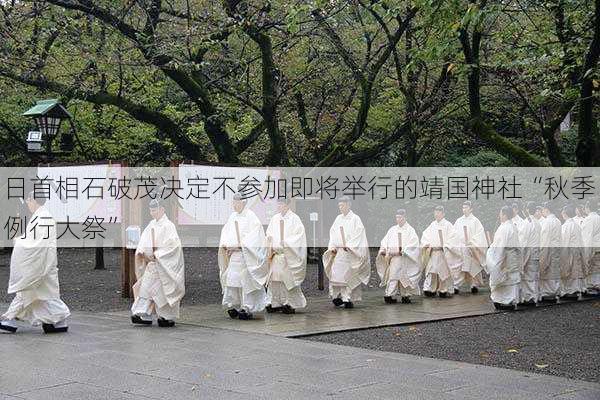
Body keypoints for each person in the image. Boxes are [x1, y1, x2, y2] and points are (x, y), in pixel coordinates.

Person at [0, 193, 70, 334]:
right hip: (41, 263)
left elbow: (37, 243)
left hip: (42, 264)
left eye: (29, 200)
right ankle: (58, 322)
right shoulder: (40, 216)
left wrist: (18, 241)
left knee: (30, 293)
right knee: (41, 295)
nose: (27, 203)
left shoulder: (44, 218)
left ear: (34, 201)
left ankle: (10, 320)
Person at [131, 199, 185, 327]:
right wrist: (141, 251)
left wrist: (158, 255)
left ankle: (165, 317)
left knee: (164, 291)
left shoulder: (168, 226)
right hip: (152, 264)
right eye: (151, 210)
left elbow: (174, 247)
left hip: (163, 265)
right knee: (146, 289)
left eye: (155, 210)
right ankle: (142, 313)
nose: (152, 212)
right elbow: (143, 241)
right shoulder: (151, 224)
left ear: (162, 209)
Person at [218, 193, 269, 320]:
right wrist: (225, 245)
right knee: (233, 280)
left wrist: (241, 245)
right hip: (233, 255)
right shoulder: (232, 216)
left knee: (245, 282)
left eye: (237, 203)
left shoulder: (251, 217)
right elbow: (226, 232)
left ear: (244, 203)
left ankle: (246, 307)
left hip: (246, 255)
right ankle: (235, 305)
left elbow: (256, 236)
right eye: (233, 202)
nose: (234, 205)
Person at [322, 196, 370, 309]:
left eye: (342, 205)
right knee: (336, 276)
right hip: (338, 253)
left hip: (349, 253)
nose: (341, 207)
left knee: (347, 276)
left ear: (348, 205)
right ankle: (336, 297)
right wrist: (332, 247)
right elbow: (332, 234)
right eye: (339, 205)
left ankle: (347, 298)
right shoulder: (338, 219)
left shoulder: (355, 219)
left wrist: (349, 245)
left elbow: (359, 235)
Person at [265, 198, 307, 314]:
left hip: (288, 256)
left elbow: (299, 236)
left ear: (287, 205)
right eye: (278, 204)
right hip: (276, 255)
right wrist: (269, 240)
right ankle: (275, 302)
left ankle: (289, 303)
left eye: (282, 204)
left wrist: (288, 242)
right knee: (274, 280)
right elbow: (269, 233)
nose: (279, 207)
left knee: (287, 281)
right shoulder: (274, 218)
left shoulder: (295, 219)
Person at [376, 209, 421, 304]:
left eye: (400, 217)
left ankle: (406, 295)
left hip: (404, 258)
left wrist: (404, 251)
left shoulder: (410, 230)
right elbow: (385, 241)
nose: (398, 219)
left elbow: (414, 243)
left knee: (405, 277)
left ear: (405, 217)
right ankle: (389, 295)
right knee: (393, 275)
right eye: (397, 217)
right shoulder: (392, 229)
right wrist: (383, 249)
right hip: (394, 258)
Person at [486, 206, 521, 310]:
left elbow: (499, 246)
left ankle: (502, 301)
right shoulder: (512, 226)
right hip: (512, 256)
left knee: (504, 279)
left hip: (504, 256)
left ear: (505, 215)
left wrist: (493, 256)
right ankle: (510, 301)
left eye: (501, 214)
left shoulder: (505, 228)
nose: (499, 216)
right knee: (510, 280)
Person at [421, 206, 461, 298]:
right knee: (432, 272)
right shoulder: (432, 225)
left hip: (443, 253)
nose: (437, 215)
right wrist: (427, 244)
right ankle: (431, 289)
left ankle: (444, 290)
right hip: (433, 252)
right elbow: (425, 235)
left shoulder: (448, 225)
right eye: (435, 213)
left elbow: (453, 237)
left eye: (439, 213)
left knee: (443, 272)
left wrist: (446, 245)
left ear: (443, 214)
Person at [452, 201, 487, 295]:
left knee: (473, 266)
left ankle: (474, 285)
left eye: (466, 207)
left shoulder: (475, 221)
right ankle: (456, 285)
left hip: (471, 248)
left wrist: (472, 242)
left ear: (471, 209)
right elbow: (454, 234)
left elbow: (480, 234)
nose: (464, 209)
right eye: (463, 207)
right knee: (460, 267)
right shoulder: (459, 221)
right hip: (461, 248)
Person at [559, 204, 586, 300]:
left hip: (569, 251)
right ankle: (576, 289)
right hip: (577, 251)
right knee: (576, 270)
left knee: (569, 270)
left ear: (565, 213)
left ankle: (570, 291)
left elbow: (565, 241)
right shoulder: (576, 225)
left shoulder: (566, 226)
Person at [518, 202, 541, 306]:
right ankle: (534, 297)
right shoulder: (537, 222)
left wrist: (520, 255)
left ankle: (529, 298)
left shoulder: (526, 222)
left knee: (527, 276)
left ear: (527, 210)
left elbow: (523, 241)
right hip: (536, 251)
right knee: (534, 276)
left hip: (529, 252)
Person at [539, 202, 562, 303]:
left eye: (543, 209)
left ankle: (547, 293)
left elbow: (545, 238)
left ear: (546, 209)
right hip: (556, 249)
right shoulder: (557, 220)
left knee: (547, 270)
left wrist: (542, 252)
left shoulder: (547, 222)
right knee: (555, 270)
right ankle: (554, 292)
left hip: (548, 249)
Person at [582, 200, 600, 294]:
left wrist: (586, 252)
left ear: (587, 208)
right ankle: (597, 285)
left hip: (592, 246)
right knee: (598, 266)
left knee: (591, 267)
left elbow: (587, 237)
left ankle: (592, 287)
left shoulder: (589, 219)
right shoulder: (598, 217)